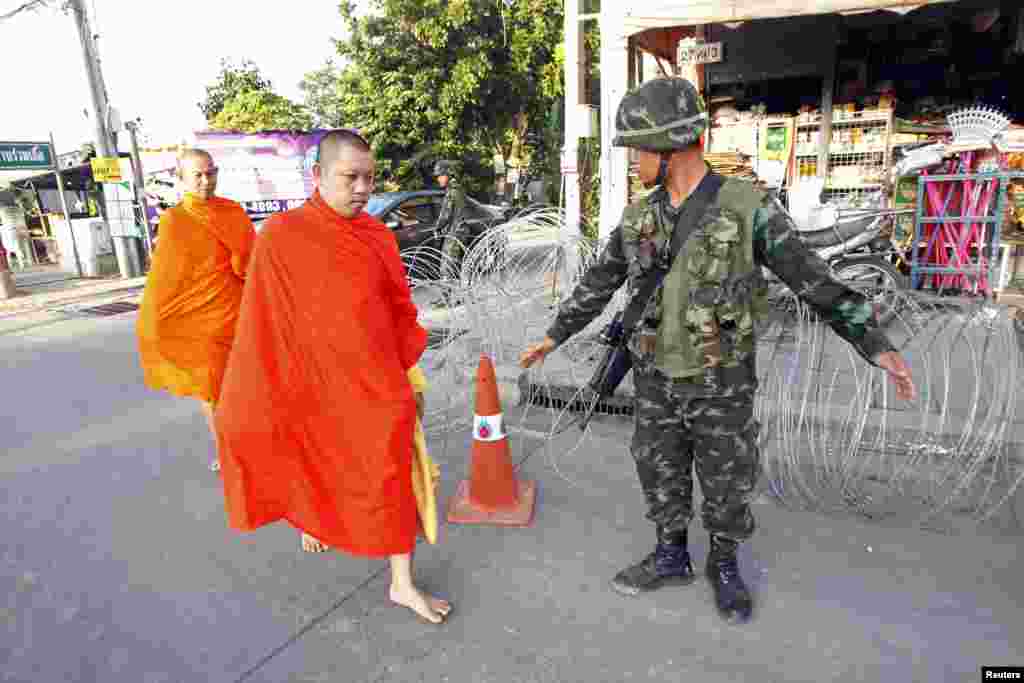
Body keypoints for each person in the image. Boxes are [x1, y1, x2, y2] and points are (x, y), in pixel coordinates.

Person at [520, 77, 915, 624]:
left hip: (720, 378)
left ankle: (724, 564)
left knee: (727, 475)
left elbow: (812, 279)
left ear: (669, 147)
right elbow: (601, 279)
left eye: (637, 149)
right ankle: (671, 554)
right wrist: (555, 333)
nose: (633, 161)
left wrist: (875, 343)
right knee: (659, 468)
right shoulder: (640, 217)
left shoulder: (746, 207)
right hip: (655, 375)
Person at [214, 130, 452, 625]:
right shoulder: (281, 235)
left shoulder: (377, 235)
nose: (363, 187)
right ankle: (313, 517)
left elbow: (396, 308)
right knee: (315, 460)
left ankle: (402, 583)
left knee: (392, 477)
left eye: (369, 177)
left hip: (376, 383)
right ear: (317, 176)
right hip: (313, 384)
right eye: (350, 177)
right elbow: (265, 322)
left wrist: (406, 365)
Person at [136, 148, 255, 473]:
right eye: (197, 175)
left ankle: (259, 447)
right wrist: (156, 319)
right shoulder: (175, 221)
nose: (206, 181)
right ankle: (229, 453)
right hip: (200, 323)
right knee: (212, 392)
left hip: (239, 314)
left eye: (211, 172)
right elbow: (167, 277)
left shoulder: (233, 212)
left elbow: (252, 262)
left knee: (249, 387)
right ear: (181, 179)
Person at [432, 159, 469, 304]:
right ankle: (460, 297)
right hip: (459, 231)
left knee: (447, 267)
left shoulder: (452, 192)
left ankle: (446, 299)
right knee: (456, 266)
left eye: (440, 175)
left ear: (448, 174)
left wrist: (437, 228)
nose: (438, 178)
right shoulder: (458, 189)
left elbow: (445, 215)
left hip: (455, 233)